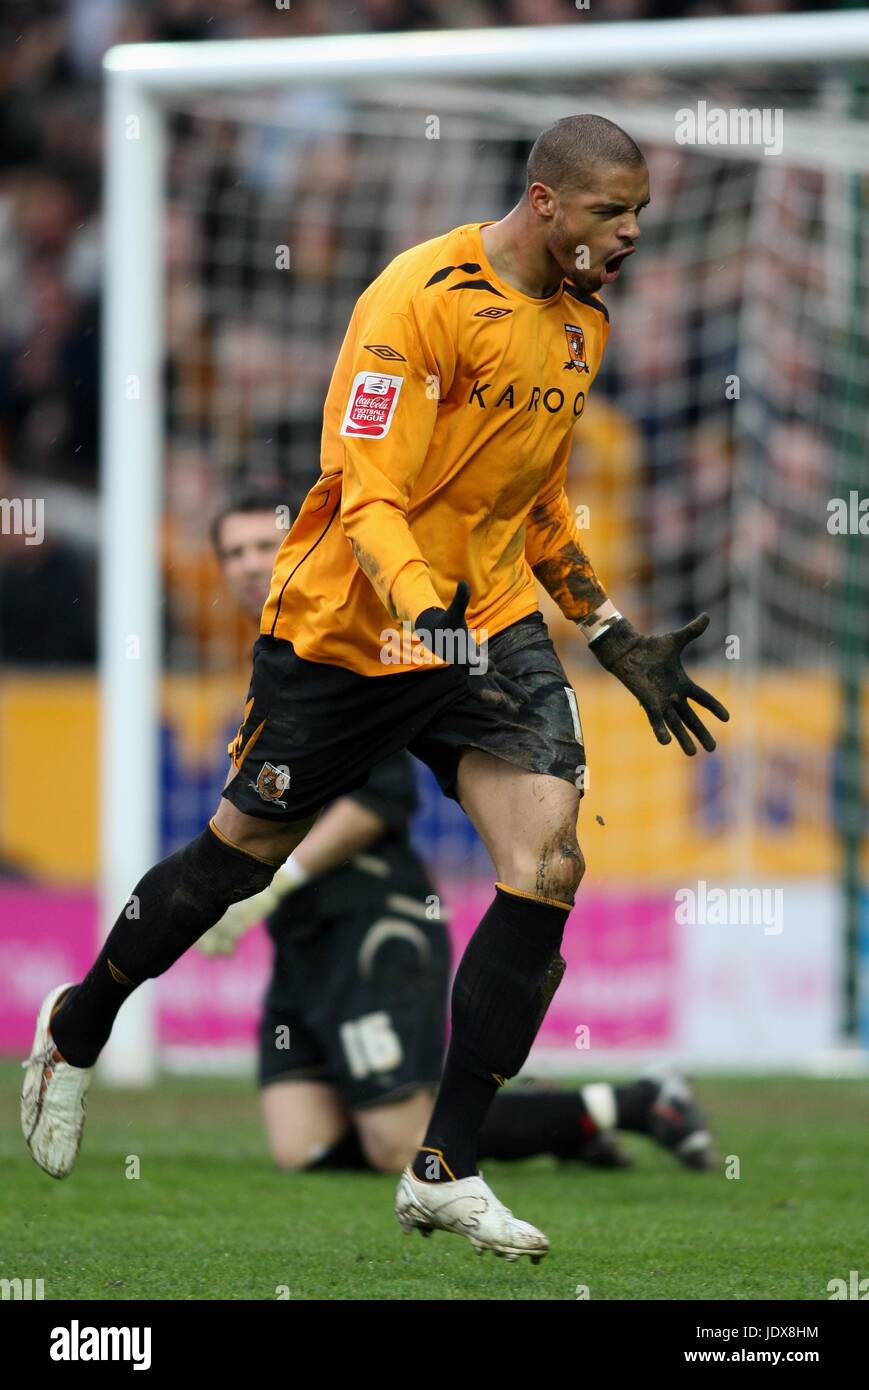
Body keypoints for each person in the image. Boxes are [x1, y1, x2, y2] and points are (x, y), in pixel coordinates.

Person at [23, 115, 728, 1262]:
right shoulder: (417, 295)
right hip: (351, 628)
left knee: (547, 857)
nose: (633, 232)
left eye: (638, 212)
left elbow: (534, 499)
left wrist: (601, 624)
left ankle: (445, 1166)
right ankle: (80, 1022)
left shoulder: (579, 323)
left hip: (481, 622)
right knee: (233, 858)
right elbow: (365, 487)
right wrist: (416, 607)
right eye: (613, 211)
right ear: (547, 202)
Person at [199, 490, 712, 1177]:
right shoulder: (272, 643)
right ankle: (522, 1118)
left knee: (397, 1141)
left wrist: (270, 883)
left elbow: (378, 801)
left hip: (370, 918)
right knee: (304, 1149)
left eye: (263, 547)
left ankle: (626, 1103)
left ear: (304, 545)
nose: (247, 564)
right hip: (303, 934)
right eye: (232, 552)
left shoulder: (348, 637)